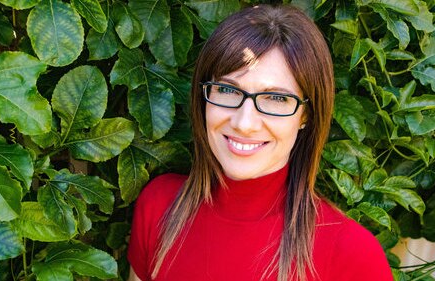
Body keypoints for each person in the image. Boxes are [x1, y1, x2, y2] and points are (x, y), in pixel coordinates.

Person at [128, 4, 393, 281]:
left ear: (306, 114)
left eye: (277, 98)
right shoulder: (159, 206)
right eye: (228, 90)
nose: (244, 123)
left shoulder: (352, 254)